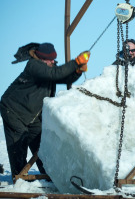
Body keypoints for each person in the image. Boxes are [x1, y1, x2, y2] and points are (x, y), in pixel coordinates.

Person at [0, 42, 90, 179]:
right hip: (13, 110)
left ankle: (50, 176)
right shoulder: (34, 66)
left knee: (42, 144)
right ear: (41, 58)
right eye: (50, 59)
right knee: (18, 142)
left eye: (54, 59)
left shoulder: (48, 68)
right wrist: (75, 62)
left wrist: (77, 71)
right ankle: (19, 178)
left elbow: (62, 77)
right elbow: (55, 74)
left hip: (32, 114)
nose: (53, 61)